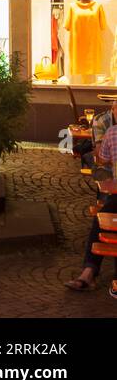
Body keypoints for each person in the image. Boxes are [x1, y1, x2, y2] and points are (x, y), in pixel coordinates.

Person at [64, 116, 117, 295]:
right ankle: (90, 273)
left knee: (104, 218)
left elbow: (102, 159)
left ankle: (89, 273)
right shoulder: (110, 131)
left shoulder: (111, 132)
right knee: (104, 218)